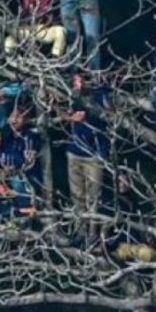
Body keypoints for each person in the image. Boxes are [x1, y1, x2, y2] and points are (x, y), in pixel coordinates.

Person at [64, 79, 111, 246]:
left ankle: (93, 234)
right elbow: (62, 113)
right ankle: (80, 231)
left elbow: (108, 117)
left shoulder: (102, 95)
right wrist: (71, 117)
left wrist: (88, 115)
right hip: (74, 152)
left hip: (94, 154)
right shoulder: (75, 96)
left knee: (94, 197)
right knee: (77, 196)